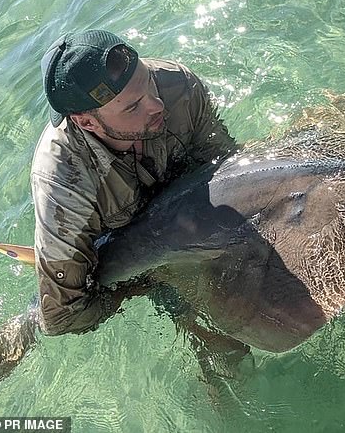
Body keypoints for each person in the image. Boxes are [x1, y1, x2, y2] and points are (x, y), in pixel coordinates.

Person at [31, 29, 238, 336]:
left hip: (183, 210)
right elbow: (64, 318)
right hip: (123, 245)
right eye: (132, 107)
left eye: (148, 80)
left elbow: (227, 171)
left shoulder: (177, 85)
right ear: (86, 122)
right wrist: (145, 279)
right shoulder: (61, 181)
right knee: (219, 343)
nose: (156, 105)